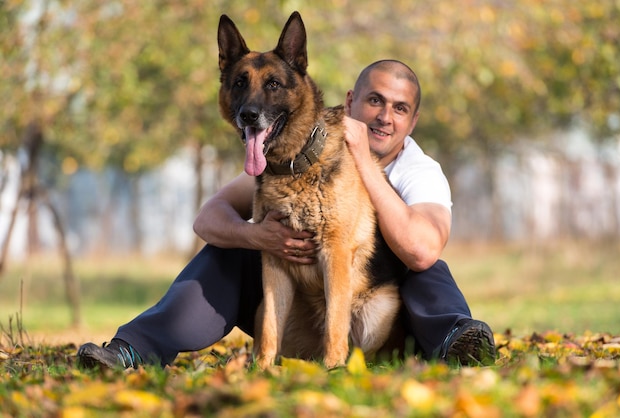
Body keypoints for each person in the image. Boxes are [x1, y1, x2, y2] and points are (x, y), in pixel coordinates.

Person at [77, 60, 496, 370]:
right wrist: (256, 236)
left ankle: (457, 341)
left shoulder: (420, 170)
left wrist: (363, 160)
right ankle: (131, 350)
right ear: (350, 102)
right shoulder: (298, 151)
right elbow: (207, 219)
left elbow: (422, 250)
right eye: (374, 101)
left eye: (400, 108)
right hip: (298, 312)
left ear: (413, 120)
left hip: (376, 314)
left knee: (428, 266)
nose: (385, 117)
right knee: (224, 250)